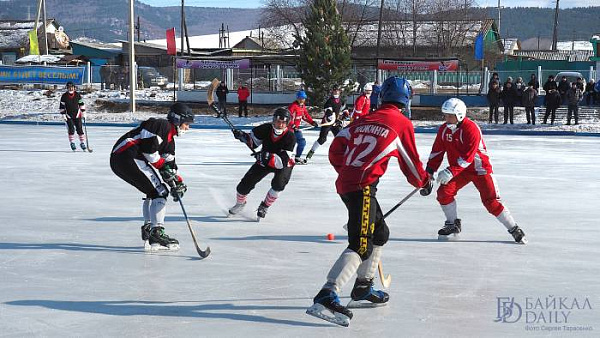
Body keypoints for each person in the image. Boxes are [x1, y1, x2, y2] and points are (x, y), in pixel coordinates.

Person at [306, 76, 433, 326]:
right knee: (361, 244)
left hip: (347, 183)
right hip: (362, 187)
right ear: (405, 99)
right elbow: (412, 164)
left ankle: (363, 287)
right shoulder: (401, 123)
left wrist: (348, 170)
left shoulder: (363, 120)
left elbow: (336, 148)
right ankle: (327, 294)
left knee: (380, 232)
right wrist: (424, 182)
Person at [424, 98, 527, 244]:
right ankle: (452, 224)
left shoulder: (471, 128)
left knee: (491, 201)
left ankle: (514, 228)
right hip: (460, 171)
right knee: (443, 193)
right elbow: (437, 152)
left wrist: (450, 171)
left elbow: (468, 157)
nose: (445, 118)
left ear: (459, 115)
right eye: (445, 115)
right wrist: (429, 172)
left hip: (479, 169)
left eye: (449, 115)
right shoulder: (444, 130)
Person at [109, 103, 194, 251]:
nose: (188, 128)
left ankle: (149, 228)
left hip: (124, 159)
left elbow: (170, 165)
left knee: (152, 192)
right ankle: (157, 232)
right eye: (186, 124)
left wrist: (178, 182)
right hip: (126, 155)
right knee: (160, 192)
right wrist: (164, 169)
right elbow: (149, 151)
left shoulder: (170, 141)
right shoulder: (161, 125)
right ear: (178, 120)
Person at [228, 108, 297, 221]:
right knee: (243, 186)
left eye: (283, 123)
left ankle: (264, 206)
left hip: (284, 163)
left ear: (287, 123)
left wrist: (267, 156)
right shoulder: (265, 128)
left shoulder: (290, 136)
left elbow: (282, 162)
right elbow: (253, 142)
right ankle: (240, 204)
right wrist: (243, 137)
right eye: (278, 121)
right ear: (273, 120)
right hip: (264, 160)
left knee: (278, 185)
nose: (280, 125)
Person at [305, 86, 348, 163]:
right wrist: (330, 116)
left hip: (335, 122)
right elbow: (328, 111)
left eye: (337, 91)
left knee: (340, 138)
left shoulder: (341, 101)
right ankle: (310, 154)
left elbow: (344, 109)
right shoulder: (329, 101)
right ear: (332, 91)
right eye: (335, 91)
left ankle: (344, 155)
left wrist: (344, 115)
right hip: (327, 122)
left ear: (340, 91)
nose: (336, 92)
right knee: (322, 139)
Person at [288, 90, 318, 164]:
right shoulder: (292, 106)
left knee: (302, 142)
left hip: (296, 129)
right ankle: (285, 158)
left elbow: (305, 116)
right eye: (300, 98)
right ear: (297, 98)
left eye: (303, 98)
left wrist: (312, 122)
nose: (302, 100)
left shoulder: (302, 107)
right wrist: (293, 125)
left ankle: (297, 157)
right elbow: (288, 118)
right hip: (289, 129)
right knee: (289, 144)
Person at [59, 81, 88, 151]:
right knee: (71, 129)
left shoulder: (77, 95)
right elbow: (62, 107)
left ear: (74, 88)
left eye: (72, 87)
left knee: (80, 129)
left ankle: (82, 143)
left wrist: (83, 112)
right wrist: (63, 115)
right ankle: (72, 143)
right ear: (67, 88)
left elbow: (81, 104)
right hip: (69, 116)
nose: (70, 89)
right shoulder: (64, 96)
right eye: (69, 87)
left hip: (77, 115)